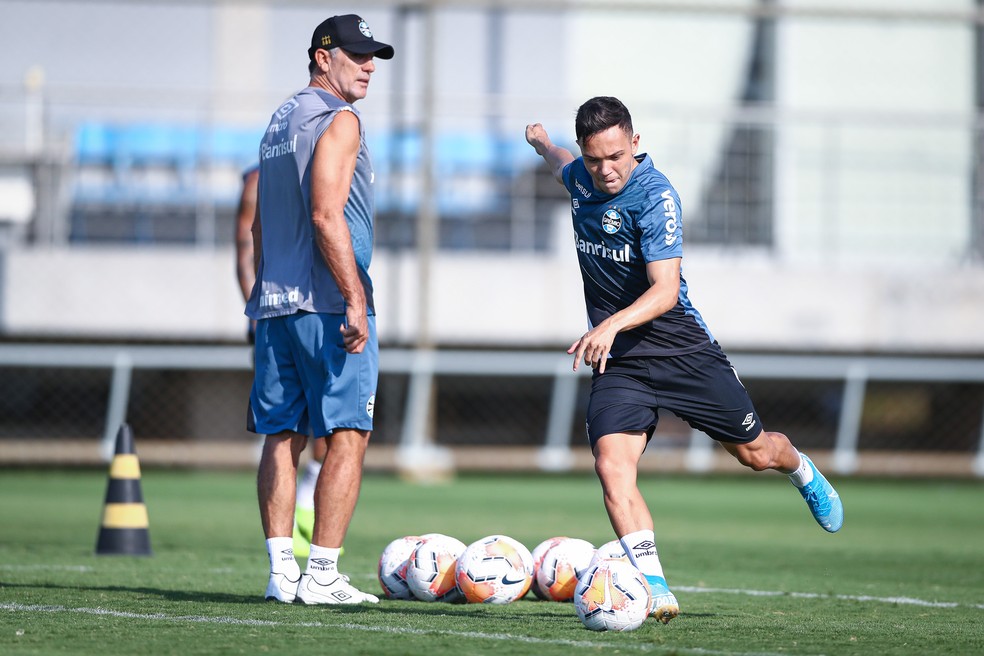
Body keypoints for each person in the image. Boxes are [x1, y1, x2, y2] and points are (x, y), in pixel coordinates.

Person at [525, 96, 843, 625]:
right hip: (622, 361)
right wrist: (541, 144)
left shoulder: (656, 198)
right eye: (596, 159)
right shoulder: (580, 173)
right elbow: (562, 164)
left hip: (681, 351)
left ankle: (802, 469)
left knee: (756, 454)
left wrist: (608, 323)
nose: (607, 170)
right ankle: (655, 587)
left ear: (636, 143)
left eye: (617, 156)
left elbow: (665, 291)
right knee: (612, 468)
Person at [245, 14, 394, 605]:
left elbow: (259, 224)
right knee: (350, 433)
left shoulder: (279, 122)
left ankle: (283, 572)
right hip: (329, 303)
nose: (368, 65)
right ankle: (323, 574)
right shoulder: (340, 118)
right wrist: (355, 298)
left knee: (282, 436)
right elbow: (325, 215)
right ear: (321, 57)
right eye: (356, 54)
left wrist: (264, 293)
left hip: (277, 304)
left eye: (372, 56)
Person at [235, 164, 327, 560]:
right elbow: (245, 244)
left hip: (321, 310)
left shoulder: (326, 164)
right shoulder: (259, 179)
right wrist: (254, 306)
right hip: (277, 315)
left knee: (332, 429)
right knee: (285, 428)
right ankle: (284, 547)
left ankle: (307, 501)